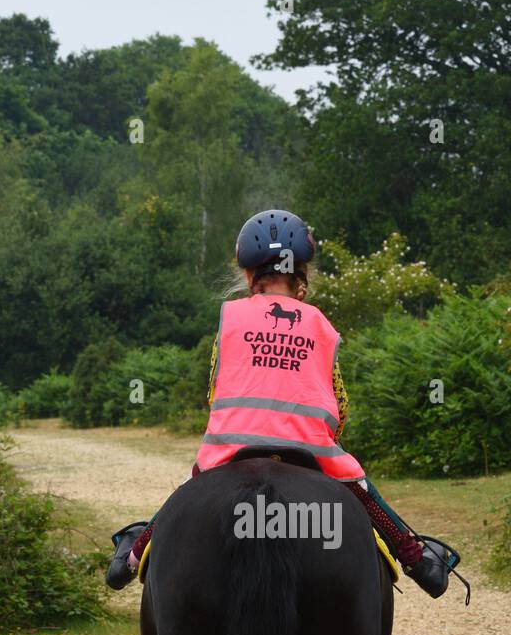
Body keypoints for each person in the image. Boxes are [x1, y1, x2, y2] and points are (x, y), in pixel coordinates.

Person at [106, 210, 466, 601]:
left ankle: (130, 557)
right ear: (302, 278)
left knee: (186, 496)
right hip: (310, 448)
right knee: (363, 492)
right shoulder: (319, 325)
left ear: (248, 276)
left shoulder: (230, 320)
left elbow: (214, 392)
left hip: (231, 447)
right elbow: (339, 404)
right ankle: (419, 561)